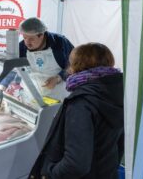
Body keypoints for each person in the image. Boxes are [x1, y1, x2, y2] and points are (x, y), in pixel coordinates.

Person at [30, 42, 124, 179]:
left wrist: (50, 173)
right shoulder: (118, 92)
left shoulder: (81, 103)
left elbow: (76, 164)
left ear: (76, 66)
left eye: (70, 63)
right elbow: (120, 145)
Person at [0, 17, 74, 105]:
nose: (27, 43)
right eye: (25, 38)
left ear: (41, 35)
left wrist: (58, 78)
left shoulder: (60, 42)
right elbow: (12, 69)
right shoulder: (22, 47)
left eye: (31, 39)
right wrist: (1, 88)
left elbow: (74, 64)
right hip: (31, 95)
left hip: (57, 94)